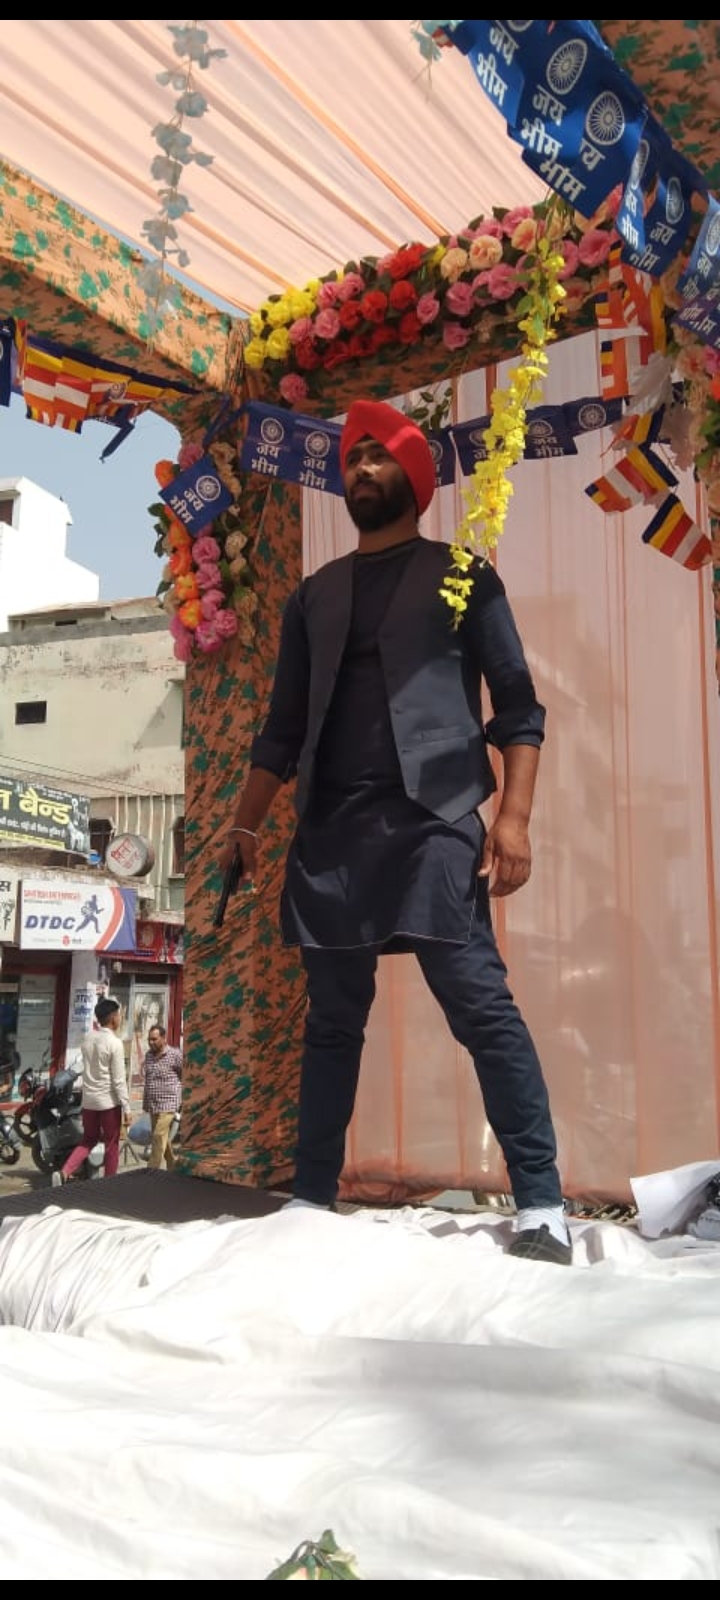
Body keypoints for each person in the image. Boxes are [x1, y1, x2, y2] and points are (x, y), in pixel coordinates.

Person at [219, 398, 571, 1265]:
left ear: (412, 475)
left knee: (479, 1005)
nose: (361, 468)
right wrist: (245, 824)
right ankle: (310, 1197)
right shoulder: (314, 595)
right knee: (332, 1021)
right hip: (332, 833)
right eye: (352, 458)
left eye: (378, 456)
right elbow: (280, 729)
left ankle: (542, 1202)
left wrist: (514, 820)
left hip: (434, 822)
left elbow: (518, 707)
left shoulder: (463, 577)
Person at [52, 996, 130, 1184]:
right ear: (113, 1018)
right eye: (119, 1015)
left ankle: (64, 1172)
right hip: (109, 1103)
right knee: (111, 1145)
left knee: (88, 1141)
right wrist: (127, 1107)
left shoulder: (87, 1039)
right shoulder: (115, 1043)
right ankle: (109, 1184)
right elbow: (119, 1080)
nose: (120, 1019)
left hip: (89, 1101)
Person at [140, 1024, 182, 1170]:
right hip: (154, 1104)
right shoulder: (148, 1056)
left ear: (164, 1039)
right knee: (162, 1136)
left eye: (154, 1039)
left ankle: (152, 1170)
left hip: (169, 1102)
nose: (151, 1042)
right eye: (149, 1039)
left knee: (158, 1135)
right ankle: (173, 1166)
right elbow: (149, 1080)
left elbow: (185, 1073)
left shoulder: (175, 1055)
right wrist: (146, 1103)